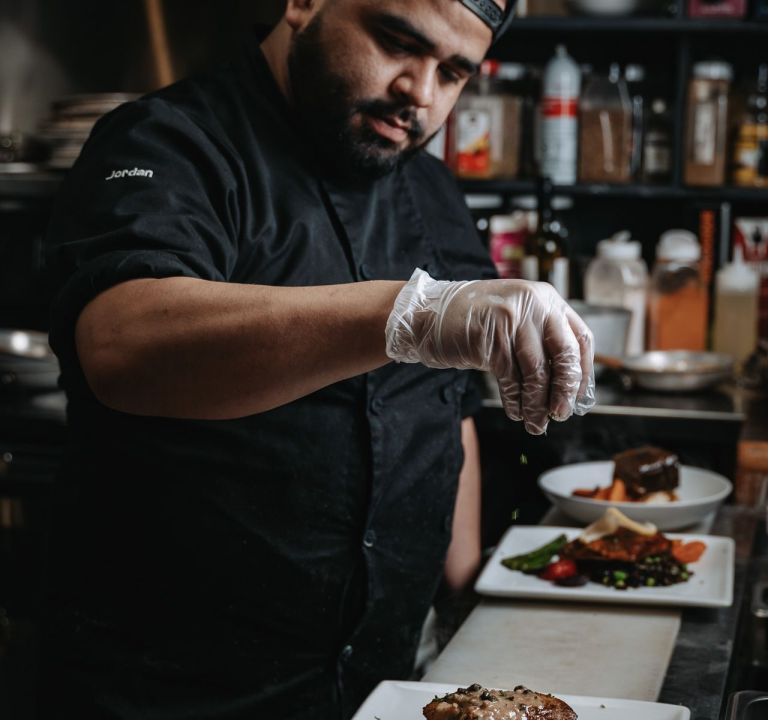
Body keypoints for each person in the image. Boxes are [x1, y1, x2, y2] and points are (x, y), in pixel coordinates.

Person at [38, 0, 595, 718]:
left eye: (453, 72)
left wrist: (468, 593)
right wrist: (413, 316)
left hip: (382, 686)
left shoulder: (432, 191)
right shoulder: (168, 142)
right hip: (172, 690)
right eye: (397, 42)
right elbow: (123, 344)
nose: (420, 94)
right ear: (302, 4)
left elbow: (443, 412)